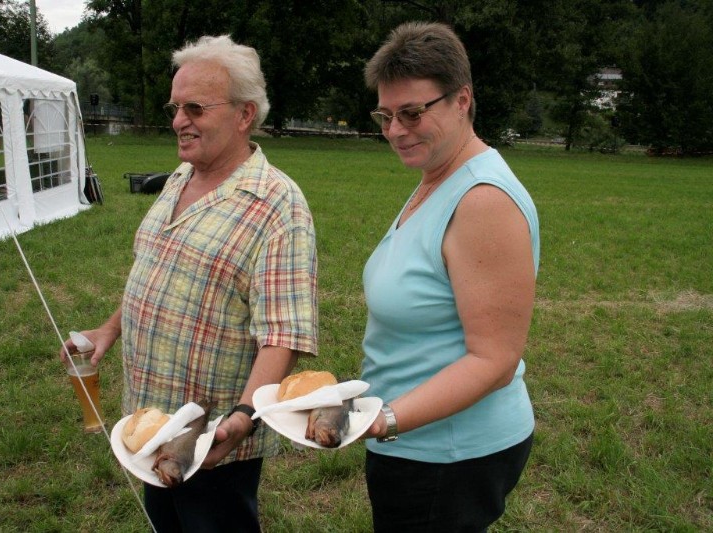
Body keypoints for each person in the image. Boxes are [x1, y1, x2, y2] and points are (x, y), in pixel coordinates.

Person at [61, 35, 317, 532]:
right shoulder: (181, 176)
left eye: (195, 108)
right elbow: (157, 269)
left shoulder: (277, 204)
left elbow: (284, 334)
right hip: (151, 421)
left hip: (213, 439)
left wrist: (242, 416)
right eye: (175, 107)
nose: (179, 120)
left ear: (244, 114)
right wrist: (109, 329)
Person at [359, 22, 540, 532]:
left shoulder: (483, 200)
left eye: (412, 113)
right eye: (386, 115)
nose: (396, 130)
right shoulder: (437, 177)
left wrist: (386, 419)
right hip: (415, 443)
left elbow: (494, 360)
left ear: (462, 100)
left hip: (448, 456)